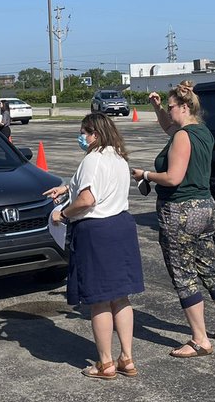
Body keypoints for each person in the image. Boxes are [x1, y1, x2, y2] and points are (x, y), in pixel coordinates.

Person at [131, 80, 215, 357]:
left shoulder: (182, 137)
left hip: (180, 212)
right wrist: (156, 108)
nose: (168, 113)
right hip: (206, 208)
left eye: (170, 107)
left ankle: (200, 339)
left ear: (183, 106)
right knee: (210, 269)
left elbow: (173, 177)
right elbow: (169, 126)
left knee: (184, 275)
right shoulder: (201, 131)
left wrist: (145, 175)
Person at [44, 113, 143, 379]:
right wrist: (67, 189)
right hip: (121, 226)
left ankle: (105, 363)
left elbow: (88, 199)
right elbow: (95, 185)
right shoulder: (119, 157)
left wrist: (62, 214)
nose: (81, 138)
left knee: (99, 300)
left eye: (84, 133)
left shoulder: (92, 158)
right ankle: (127, 358)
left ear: (95, 134)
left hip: (96, 231)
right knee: (121, 297)